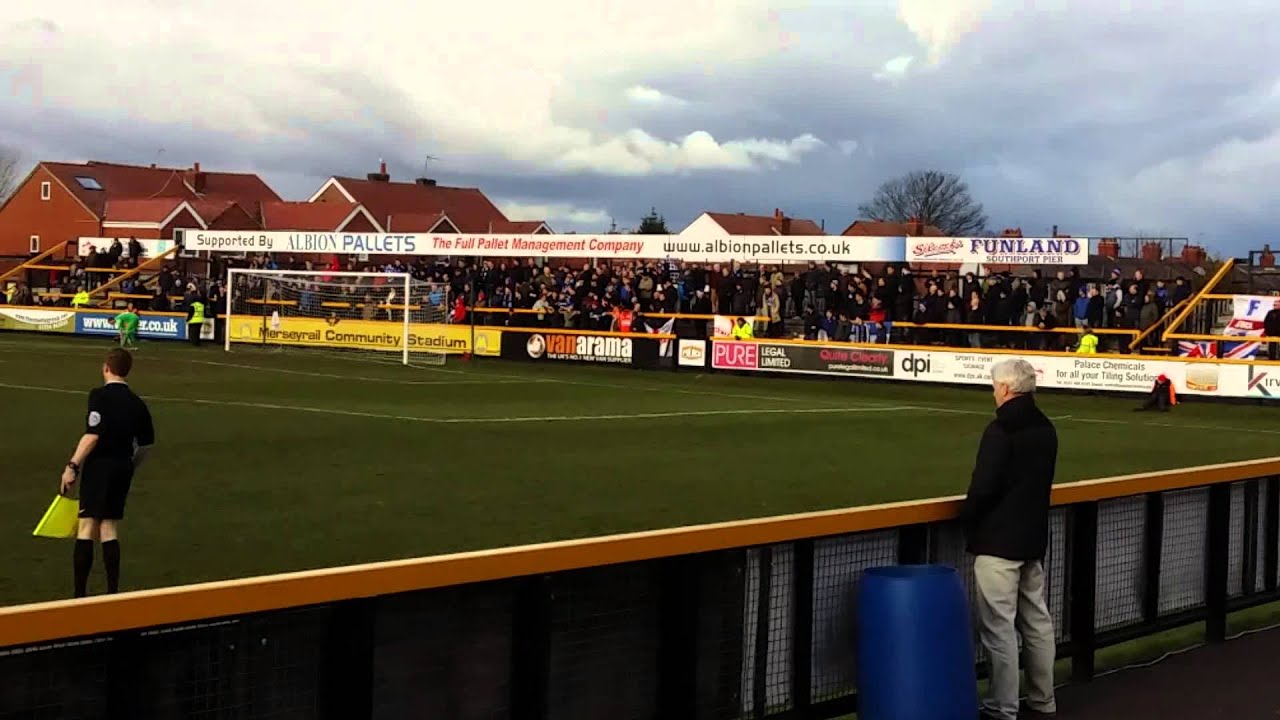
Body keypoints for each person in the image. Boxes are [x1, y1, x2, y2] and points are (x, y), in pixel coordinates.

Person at [961, 358, 1058, 720]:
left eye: (993, 387)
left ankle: (1002, 707)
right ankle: (1042, 700)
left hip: (998, 541)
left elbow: (983, 487)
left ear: (1004, 388)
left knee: (999, 628)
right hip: (1032, 538)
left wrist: (968, 520)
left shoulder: (1000, 430)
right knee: (1036, 621)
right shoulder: (1046, 427)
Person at [59, 349, 155, 598]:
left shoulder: (99, 396)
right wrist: (131, 466)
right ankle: (112, 593)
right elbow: (146, 444)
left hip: (99, 465)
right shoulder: (137, 402)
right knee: (109, 527)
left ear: (106, 368)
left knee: (87, 525)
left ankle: (80, 594)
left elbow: (93, 434)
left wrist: (72, 466)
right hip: (123, 466)